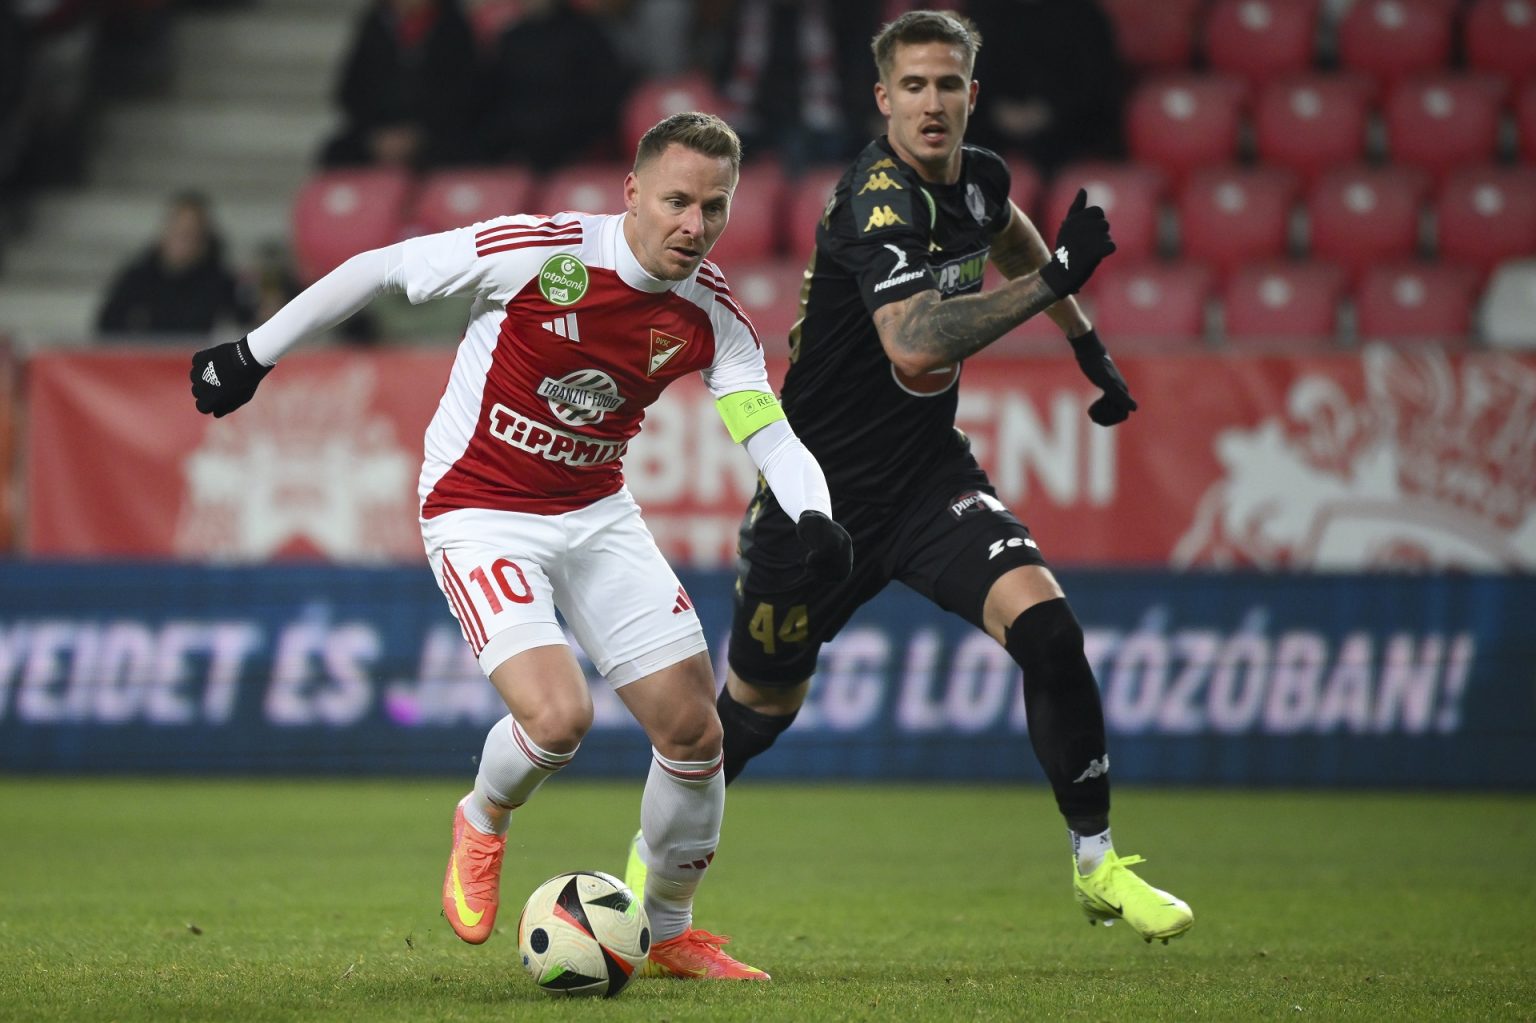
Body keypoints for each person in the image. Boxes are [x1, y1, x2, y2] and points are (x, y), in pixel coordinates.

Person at [189, 111, 854, 980]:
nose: (696, 226)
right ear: (632, 193)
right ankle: (484, 814)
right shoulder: (542, 252)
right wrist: (252, 353)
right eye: (678, 202)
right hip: (478, 507)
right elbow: (379, 266)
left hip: (596, 510)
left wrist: (815, 516)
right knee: (559, 717)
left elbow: (766, 429)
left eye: (715, 207)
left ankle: (669, 928)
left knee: (696, 731)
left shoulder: (711, 314)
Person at [626, 10, 1193, 945]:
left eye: (949, 84)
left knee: (1050, 631)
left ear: (973, 93)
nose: (933, 103)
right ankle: (642, 869)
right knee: (754, 713)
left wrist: (1087, 344)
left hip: (929, 478)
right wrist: (1054, 283)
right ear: (883, 98)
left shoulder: (978, 178)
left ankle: (1098, 863)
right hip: (818, 499)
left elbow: (1010, 235)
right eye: (915, 86)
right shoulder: (875, 201)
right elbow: (915, 340)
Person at [318, 0, 480, 169]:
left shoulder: (453, 26)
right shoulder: (376, 24)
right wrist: (377, 133)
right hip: (379, 133)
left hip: (436, 134)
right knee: (337, 154)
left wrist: (419, 134)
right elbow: (352, 90)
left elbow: (464, 93)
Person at [98, 190, 252, 338]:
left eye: (190, 234)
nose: (183, 241)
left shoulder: (221, 284)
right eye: (179, 231)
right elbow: (107, 328)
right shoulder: (137, 279)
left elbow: (243, 326)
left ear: (204, 239)